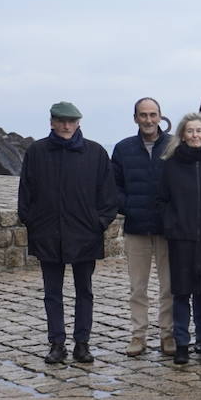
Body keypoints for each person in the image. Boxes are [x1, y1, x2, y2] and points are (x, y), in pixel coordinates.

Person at [16, 101, 119, 365]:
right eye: (60, 121)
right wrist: (32, 223)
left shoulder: (95, 153)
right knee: (53, 292)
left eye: (70, 121)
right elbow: (26, 192)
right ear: (51, 122)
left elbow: (108, 195)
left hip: (85, 234)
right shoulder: (37, 152)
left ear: (78, 123)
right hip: (48, 233)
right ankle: (56, 343)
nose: (65, 126)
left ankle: (82, 343)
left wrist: (98, 223)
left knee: (84, 291)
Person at [157, 113, 201, 365]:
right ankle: (181, 346)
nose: (195, 135)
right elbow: (162, 199)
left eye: (199, 131)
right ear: (182, 135)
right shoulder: (172, 164)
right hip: (181, 239)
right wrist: (172, 224)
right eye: (190, 131)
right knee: (181, 295)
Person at [113, 97, 174, 356]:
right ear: (135, 118)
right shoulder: (123, 148)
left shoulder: (174, 145)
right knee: (137, 287)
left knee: (169, 286)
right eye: (143, 115)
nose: (148, 120)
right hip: (136, 227)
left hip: (166, 228)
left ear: (160, 116)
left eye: (152, 114)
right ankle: (138, 336)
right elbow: (113, 186)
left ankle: (168, 336)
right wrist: (127, 206)